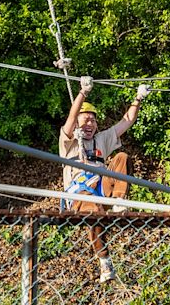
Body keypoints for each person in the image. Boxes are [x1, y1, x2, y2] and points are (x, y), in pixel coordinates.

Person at [59, 76, 150, 283]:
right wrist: (83, 93)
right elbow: (71, 119)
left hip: (102, 185)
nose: (89, 123)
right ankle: (105, 261)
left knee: (121, 158)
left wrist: (138, 98)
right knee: (95, 213)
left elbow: (126, 121)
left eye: (93, 120)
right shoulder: (69, 142)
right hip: (80, 191)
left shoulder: (101, 140)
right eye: (86, 120)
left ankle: (118, 201)